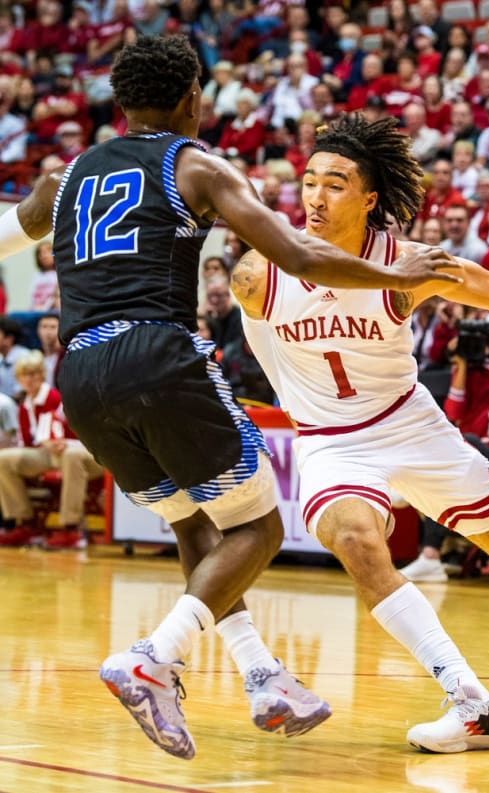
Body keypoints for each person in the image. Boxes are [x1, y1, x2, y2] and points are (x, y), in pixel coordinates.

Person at [0, 36, 459, 760]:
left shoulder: (63, 180)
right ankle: (154, 657)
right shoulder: (194, 164)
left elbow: (5, 235)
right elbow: (300, 255)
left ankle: (262, 676)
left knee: (193, 521)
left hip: (81, 374)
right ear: (192, 100)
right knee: (259, 530)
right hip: (155, 353)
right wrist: (401, 275)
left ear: (120, 104)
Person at [233, 112, 489, 755]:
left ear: (370, 198)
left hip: (410, 425)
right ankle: (471, 702)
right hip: (329, 440)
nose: (315, 196)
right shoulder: (261, 274)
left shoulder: (406, 264)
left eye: (336, 183)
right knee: (355, 540)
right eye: (310, 181)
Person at [0, 350, 104, 550]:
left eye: (33, 374)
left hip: (79, 451)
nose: (29, 380)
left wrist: (63, 443)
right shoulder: (24, 406)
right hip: (47, 454)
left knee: (70, 455)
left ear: (42, 375)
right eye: (24, 375)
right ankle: (25, 523)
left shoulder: (57, 399)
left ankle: (71, 527)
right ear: (18, 379)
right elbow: (27, 445)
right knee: (3, 459)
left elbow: (82, 436)